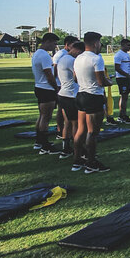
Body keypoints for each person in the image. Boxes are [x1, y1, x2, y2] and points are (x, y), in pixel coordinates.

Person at [73, 32, 113, 173]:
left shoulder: (78, 58)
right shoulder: (96, 59)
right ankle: (91, 163)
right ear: (95, 43)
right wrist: (110, 82)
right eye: (100, 42)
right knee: (92, 132)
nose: (101, 45)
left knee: (80, 130)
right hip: (93, 96)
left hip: (80, 95)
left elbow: (75, 79)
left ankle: (77, 160)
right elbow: (101, 81)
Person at [31, 32, 60, 154]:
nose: (55, 46)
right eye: (54, 43)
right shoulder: (44, 56)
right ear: (47, 41)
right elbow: (49, 75)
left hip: (39, 86)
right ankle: (45, 145)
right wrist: (56, 88)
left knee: (42, 115)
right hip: (46, 89)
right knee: (46, 117)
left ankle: (39, 141)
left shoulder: (37, 53)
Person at [56, 41, 86, 159]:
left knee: (67, 123)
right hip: (71, 95)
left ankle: (65, 148)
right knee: (76, 124)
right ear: (78, 50)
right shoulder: (71, 61)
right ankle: (78, 151)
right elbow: (76, 77)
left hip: (63, 94)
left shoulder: (62, 58)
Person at [53, 35, 80, 139]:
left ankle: (66, 146)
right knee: (74, 122)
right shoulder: (64, 56)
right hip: (68, 92)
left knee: (68, 121)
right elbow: (76, 77)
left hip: (64, 90)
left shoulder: (65, 57)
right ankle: (77, 148)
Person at [114, 38, 130, 124]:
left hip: (127, 78)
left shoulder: (126, 54)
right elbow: (117, 68)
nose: (129, 47)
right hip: (122, 78)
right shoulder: (119, 55)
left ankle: (123, 115)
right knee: (123, 96)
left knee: (125, 97)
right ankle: (122, 116)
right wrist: (127, 75)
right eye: (128, 45)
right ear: (122, 45)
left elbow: (127, 66)